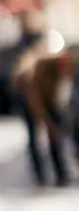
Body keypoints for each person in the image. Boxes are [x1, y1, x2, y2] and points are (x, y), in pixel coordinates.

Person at [12, 39, 78, 187]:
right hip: (28, 99)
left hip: (46, 97)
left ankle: (61, 174)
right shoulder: (39, 70)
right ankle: (40, 175)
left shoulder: (66, 65)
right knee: (34, 136)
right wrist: (48, 124)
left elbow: (58, 95)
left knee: (55, 137)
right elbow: (36, 103)